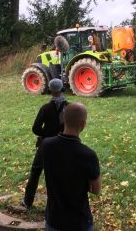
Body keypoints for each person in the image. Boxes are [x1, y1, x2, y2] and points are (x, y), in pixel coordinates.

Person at [42, 102, 101, 231]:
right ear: (83, 125)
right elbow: (96, 190)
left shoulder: (46, 145)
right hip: (78, 222)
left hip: (53, 219)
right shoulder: (88, 155)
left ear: (63, 120)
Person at [22, 79, 68, 208]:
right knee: (58, 175)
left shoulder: (45, 108)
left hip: (46, 144)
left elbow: (35, 128)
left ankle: (27, 201)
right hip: (62, 145)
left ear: (50, 91)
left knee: (36, 172)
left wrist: (45, 134)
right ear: (62, 89)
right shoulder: (69, 108)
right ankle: (57, 203)